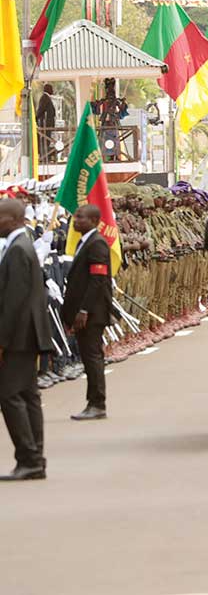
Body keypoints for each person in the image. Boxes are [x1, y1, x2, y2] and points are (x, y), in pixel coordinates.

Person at [0, 199, 50, 481]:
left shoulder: (19, 249)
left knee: (9, 395)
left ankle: (29, 458)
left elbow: (14, 302)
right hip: (26, 333)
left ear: (13, 219)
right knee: (28, 395)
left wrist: (2, 341)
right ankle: (34, 459)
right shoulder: (19, 246)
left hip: (18, 335)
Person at [60, 204, 114, 421]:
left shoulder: (97, 243)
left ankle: (97, 403)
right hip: (85, 312)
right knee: (91, 357)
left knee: (92, 358)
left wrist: (83, 310)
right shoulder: (86, 242)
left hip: (92, 313)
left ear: (93, 221)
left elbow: (97, 281)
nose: (75, 220)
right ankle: (93, 402)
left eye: (80, 217)